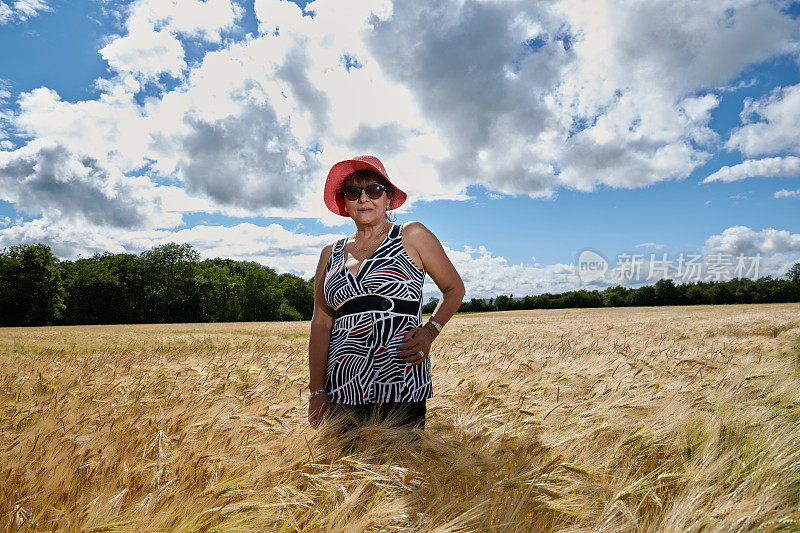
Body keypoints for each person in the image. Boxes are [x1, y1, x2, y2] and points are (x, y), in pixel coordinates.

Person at [307, 155, 465, 435]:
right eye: (353, 192)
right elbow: (321, 323)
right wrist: (317, 390)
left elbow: (454, 289)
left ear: (388, 199)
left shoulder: (412, 235)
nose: (364, 198)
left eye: (375, 190)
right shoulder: (329, 254)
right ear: (344, 203)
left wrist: (430, 331)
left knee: (401, 472)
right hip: (342, 385)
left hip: (400, 379)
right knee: (346, 474)